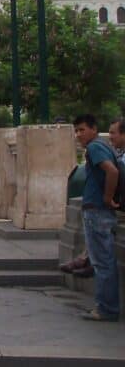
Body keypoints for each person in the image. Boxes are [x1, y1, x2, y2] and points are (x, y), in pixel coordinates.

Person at [73, 114, 120, 322]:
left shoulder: (95, 147)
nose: (78, 134)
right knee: (103, 261)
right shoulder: (103, 147)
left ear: (93, 129)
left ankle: (106, 309)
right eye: (76, 130)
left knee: (102, 262)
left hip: (97, 210)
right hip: (99, 210)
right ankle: (106, 306)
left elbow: (111, 171)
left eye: (82, 129)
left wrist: (107, 197)